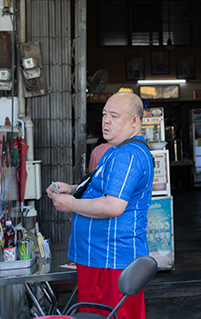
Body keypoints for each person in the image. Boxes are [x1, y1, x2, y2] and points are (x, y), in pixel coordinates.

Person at [47, 92, 153, 319]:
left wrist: (72, 204)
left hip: (112, 259)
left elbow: (113, 205)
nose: (106, 121)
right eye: (105, 114)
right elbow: (105, 189)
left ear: (135, 120)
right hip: (99, 257)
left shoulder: (129, 155)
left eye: (114, 116)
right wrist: (72, 189)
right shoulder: (116, 150)